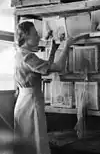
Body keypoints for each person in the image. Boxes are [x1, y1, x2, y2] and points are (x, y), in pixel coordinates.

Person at [14, 21, 88, 154]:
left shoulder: (19, 53)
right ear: (25, 35)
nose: (38, 37)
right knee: (36, 141)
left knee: (27, 142)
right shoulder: (28, 57)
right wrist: (66, 46)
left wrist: (53, 50)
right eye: (35, 34)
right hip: (31, 102)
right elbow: (58, 67)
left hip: (22, 101)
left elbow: (46, 68)